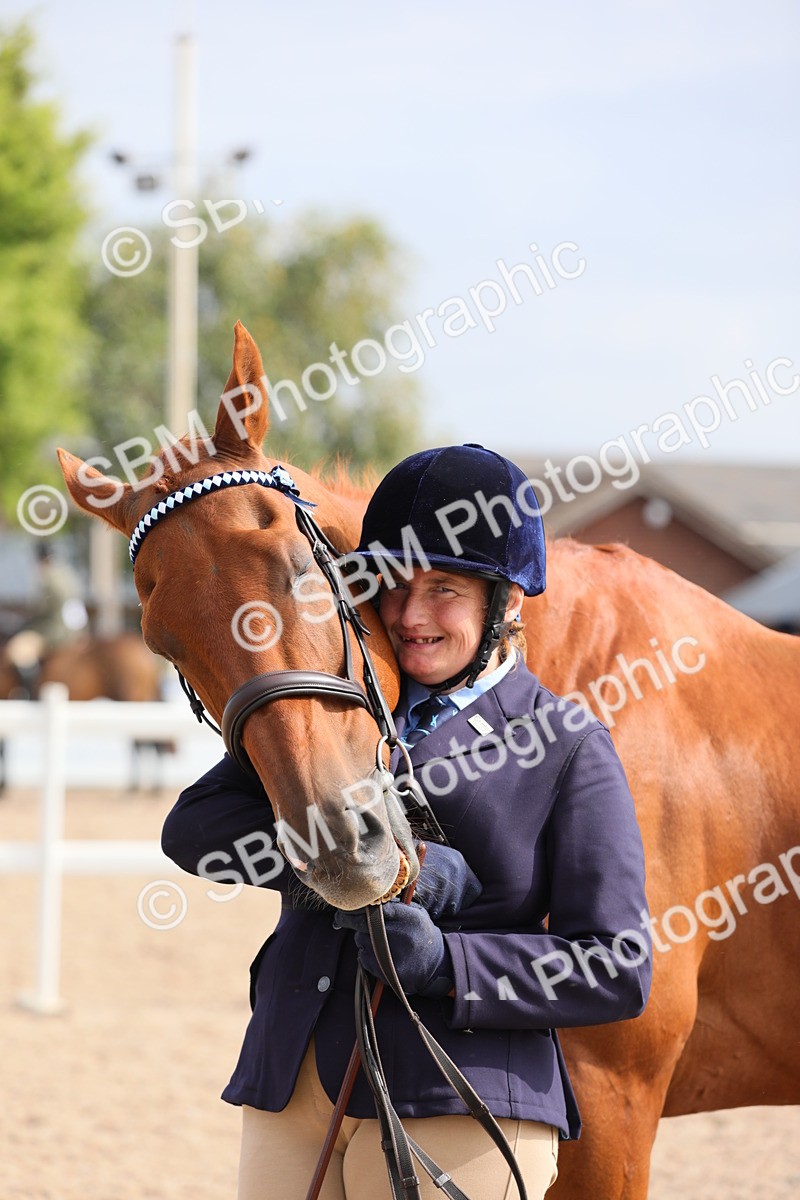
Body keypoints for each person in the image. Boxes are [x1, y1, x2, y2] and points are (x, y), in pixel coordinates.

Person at [161, 444, 652, 1200]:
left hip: (461, 1090)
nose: (412, 616)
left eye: (446, 590)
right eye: (395, 586)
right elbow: (195, 827)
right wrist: (372, 863)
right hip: (297, 1080)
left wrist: (447, 967)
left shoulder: (566, 746)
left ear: (507, 602)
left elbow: (615, 967)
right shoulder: (337, 704)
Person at [4, 542, 87, 693]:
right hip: (75, 630)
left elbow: (41, 609)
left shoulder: (47, 577)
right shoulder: (67, 573)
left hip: (53, 630)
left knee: (17, 650)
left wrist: (25, 617)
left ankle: (27, 692)